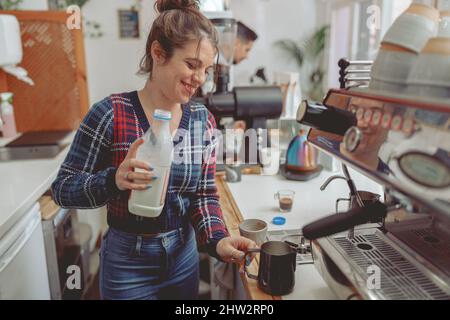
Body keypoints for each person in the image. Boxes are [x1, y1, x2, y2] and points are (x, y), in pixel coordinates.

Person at [51, 0, 256, 300]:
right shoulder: (110, 113)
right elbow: (62, 189)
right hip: (126, 263)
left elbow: (204, 194)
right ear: (158, 53)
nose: (200, 79)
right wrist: (113, 180)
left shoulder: (202, 121)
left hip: (183, 259)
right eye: (191, 64)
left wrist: (218, 239)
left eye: (206, 69)